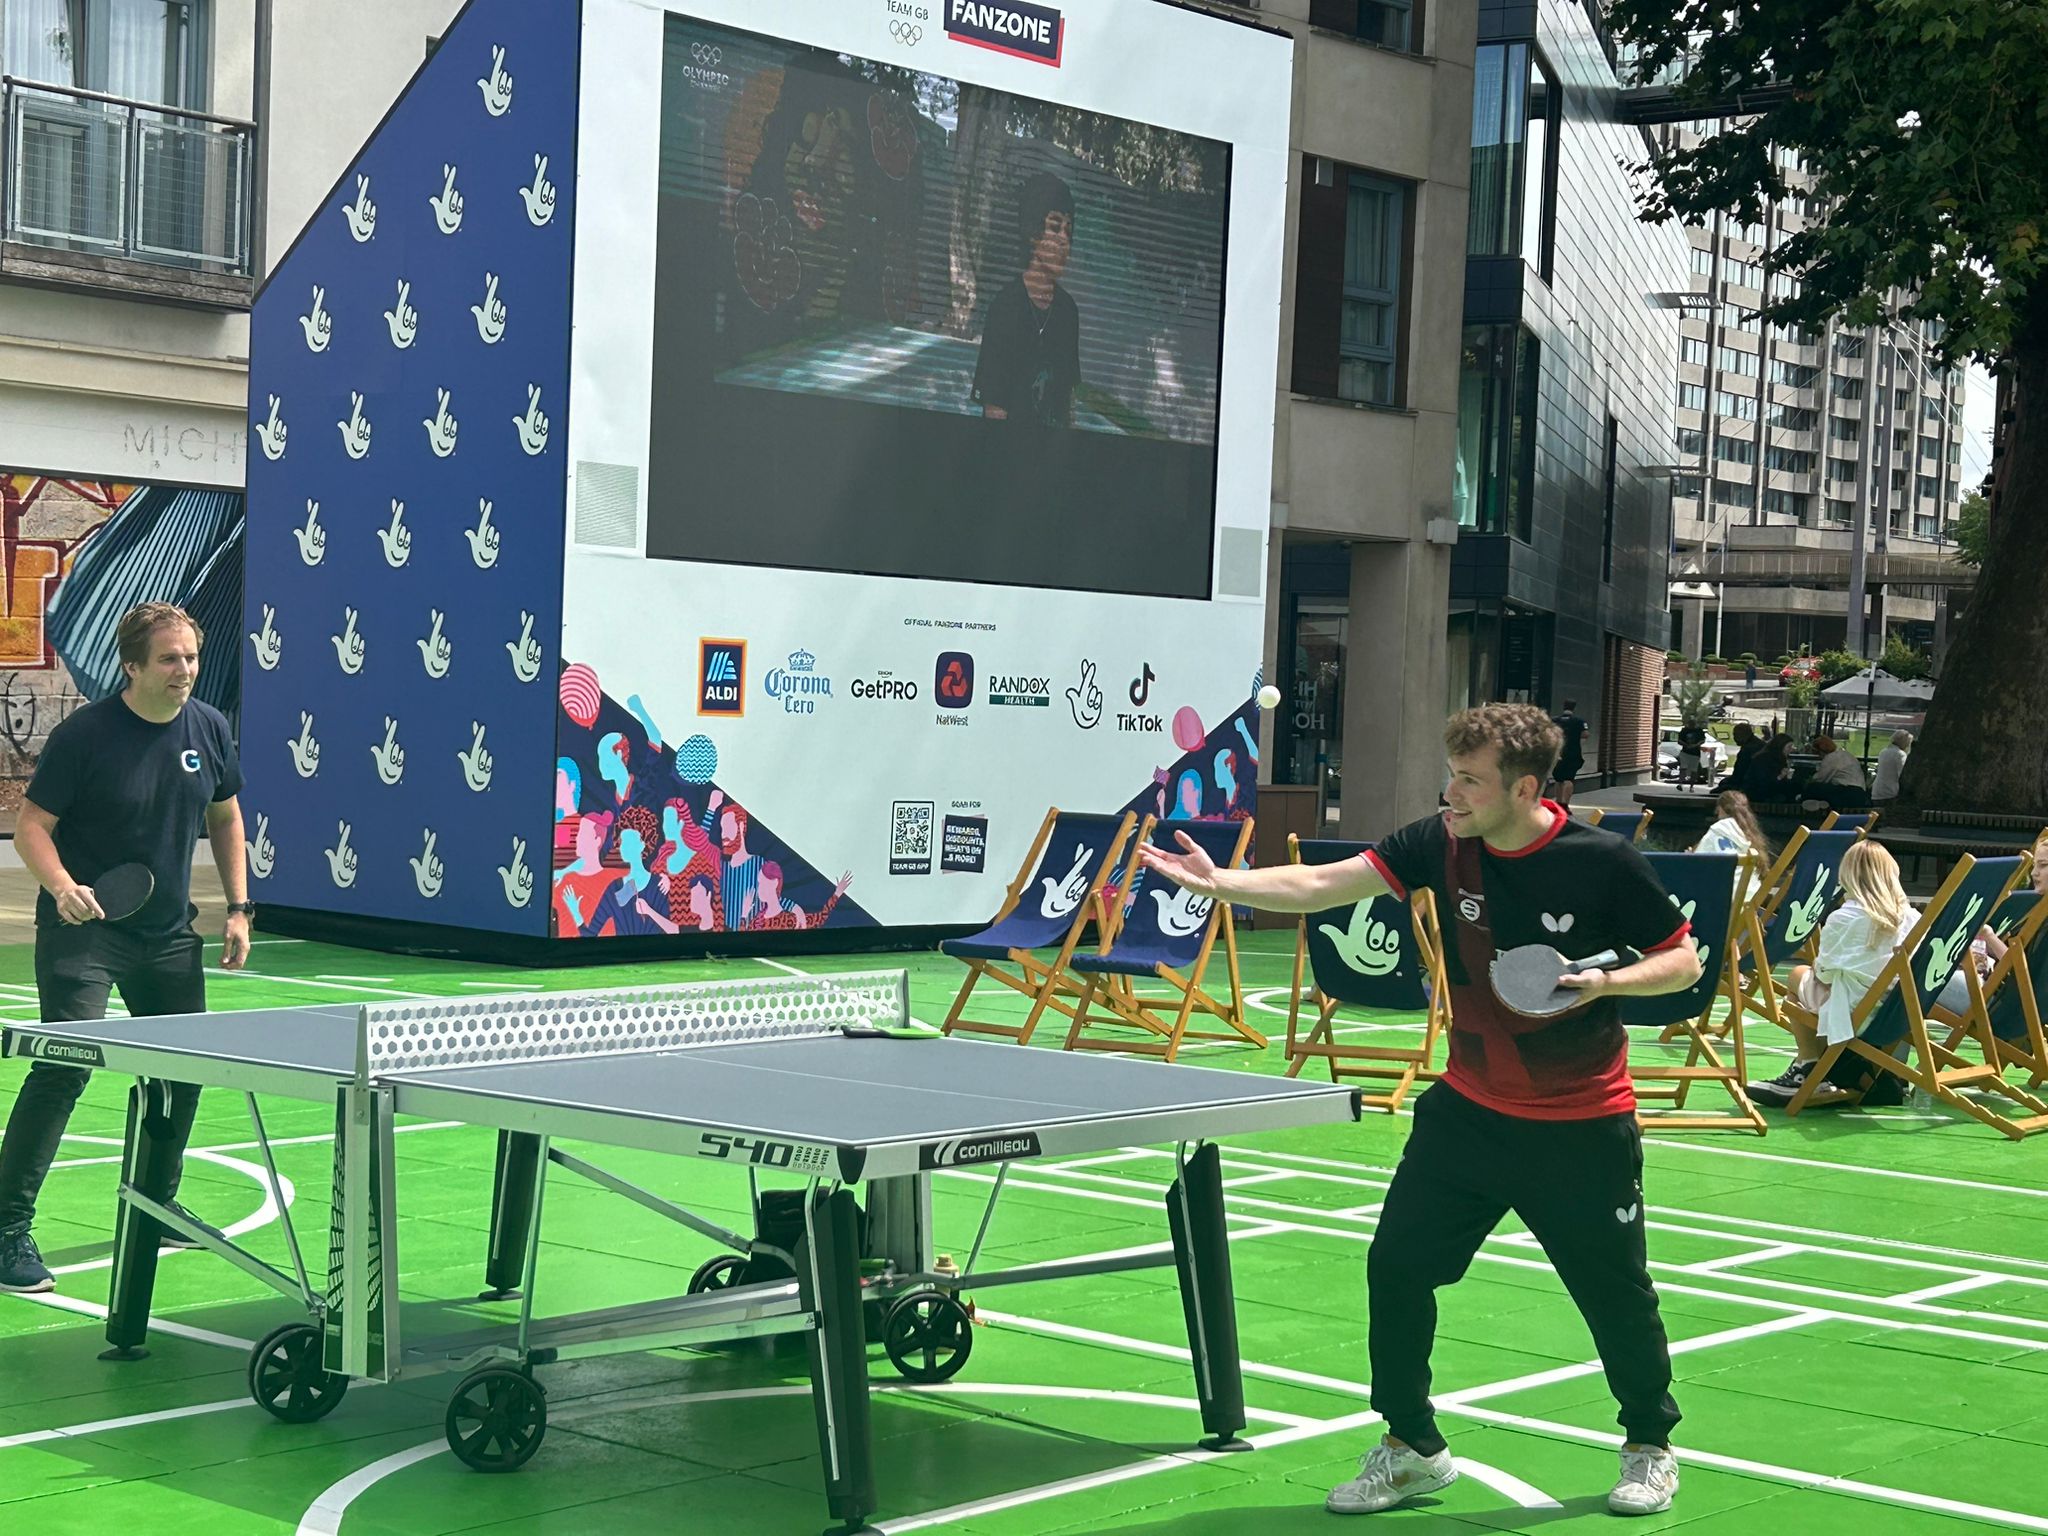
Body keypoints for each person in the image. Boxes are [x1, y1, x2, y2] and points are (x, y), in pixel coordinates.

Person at [1138, 704, 1702, 1518]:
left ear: (1526, 789)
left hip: (1581, 1122)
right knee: (1398, 1266)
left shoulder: (1601, 861)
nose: (1451, 792)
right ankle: (1412, 1448)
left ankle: (1649, 1443)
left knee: (1615, 1293)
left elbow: (1681, 960)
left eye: (1470, 780)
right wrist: (1222, 884)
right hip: (1468, 1113)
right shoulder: (1440, 842)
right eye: (1451, 774)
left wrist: (1606, 984)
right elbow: (1325, 884)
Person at [0, 602, 249, 1295]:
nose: (184, 670)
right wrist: (61, 886)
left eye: (191, 657)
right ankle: (6, 1229)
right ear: (132, 666)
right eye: (169, 659)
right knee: (64, 1068)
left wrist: (238, 907)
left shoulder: (209, 727)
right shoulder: (86, 735)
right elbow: (32, 827)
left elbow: (226, 815)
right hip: (85, 931)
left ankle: (156, 1203)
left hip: (167, 934)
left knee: (183, 1070)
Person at [1747, 840, 1917, 1108]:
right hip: (1898, 1015)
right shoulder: (1912, 918)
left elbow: (1823, 974)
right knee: (1827, 987)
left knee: (1798, 976)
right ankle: (1858, 1071)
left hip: (1854, 1017)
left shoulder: (1845, 917)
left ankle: (1808, 1064)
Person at [971, 170, 1081, 427]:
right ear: (1033, 232)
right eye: (1055, 227)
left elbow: (1068, 402)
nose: (1064, 241)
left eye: (1068, 230)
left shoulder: (1068, 311)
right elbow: (994, 407)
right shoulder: (1005, 307)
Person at [1932, 836, 2048, 1016]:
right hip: (2022, 1008)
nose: (2034, 873)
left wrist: (1989, 935)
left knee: (1910, 982)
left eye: (2043, 865)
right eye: (2034, 866)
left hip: (2007, 1010)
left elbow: (2021, 969)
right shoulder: (2040, 911)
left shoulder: (2043, 920)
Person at [1694, 790, 1774, 907]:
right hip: (1750, 902)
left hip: (1721, 903)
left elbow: (1695, 865)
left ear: (1720, 809)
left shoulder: (1718, 830)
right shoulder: (1748, 834)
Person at [1802, 734, 1869, 811]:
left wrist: (1809, 782)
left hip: (1847, 792)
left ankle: (1809, 801)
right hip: (1860, 795)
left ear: (1821, 751)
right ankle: (1823, 803)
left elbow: (1821, 779)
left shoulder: (1830, 758)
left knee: (1812, 787)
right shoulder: (1846, 754)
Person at [1548, 700, 1589, 806]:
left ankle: (1558, 802)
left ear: (1563, 707)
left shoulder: (1555, 720)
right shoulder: (1579, 721)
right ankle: (1565, 803)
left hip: (1558, 752)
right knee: (1569, 779)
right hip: (1573, 752)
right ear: (1574, 708)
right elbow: (1585, 734)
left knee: (1558, 779)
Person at [1711, 722, 1758, 795]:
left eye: (1735, 735)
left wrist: (1728, 781)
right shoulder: (1755, 744)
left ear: (1743, 734)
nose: (1734, 738)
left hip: (1748, 784)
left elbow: (1739, 773)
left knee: (1716, 791)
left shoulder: (1747, 750)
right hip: (1751, 781)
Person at [1871, 730, 1913, 806]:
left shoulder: (1883, 752)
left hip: (1877, 790)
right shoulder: (1900, 754)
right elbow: (1903, 774)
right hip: (1890, 792)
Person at [1675, 719, 1707, 790]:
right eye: (1690, 724)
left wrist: (1696, 745)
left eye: (1693, 724)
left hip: (1695, 754)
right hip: (1685, 752)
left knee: (1693, 770)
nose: (1691, 725)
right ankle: (1680, 784)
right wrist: (1686, 745)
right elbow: (1679, 741)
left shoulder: (1699, 731)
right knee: (1683, 768)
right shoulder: (1684, 730)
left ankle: (1691, 786)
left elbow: (1703, 740)